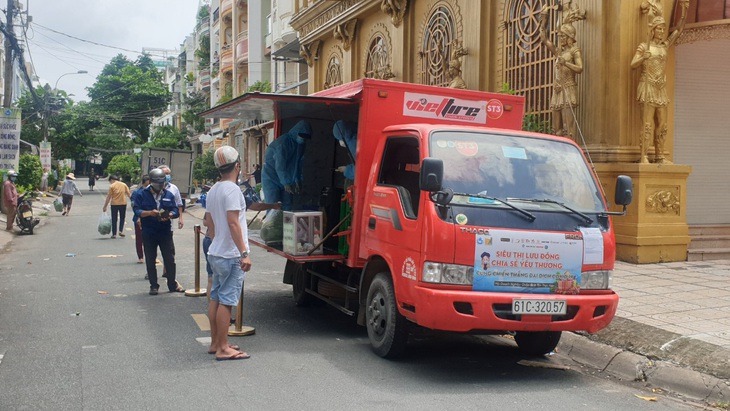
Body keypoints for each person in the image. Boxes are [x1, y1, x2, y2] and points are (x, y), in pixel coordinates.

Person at [206, 146, 252, 360]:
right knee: (227, 301)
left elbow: (210, 222)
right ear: (237, 165)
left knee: (215, 298)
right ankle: (224, 348)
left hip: (216, 252)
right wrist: (244, 253)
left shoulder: (214, 189)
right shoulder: (233, 190)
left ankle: (215, 342)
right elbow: (234, 223)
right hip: (230, 255)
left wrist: (218, 241)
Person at [631, 0, 689, 164]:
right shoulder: (644, 46)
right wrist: (644, 57)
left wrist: (684, 11)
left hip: (660, 88)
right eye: (659, 28)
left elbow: (678, 29)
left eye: (663, 28)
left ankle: (660, 155)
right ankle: (644, 155)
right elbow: (633, 64)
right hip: (647, 86)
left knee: (662, 124)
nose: (662, 31)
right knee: (647, 124)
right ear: (653, 30)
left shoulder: (665, 45)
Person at [133, 168, 185, 295]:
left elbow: (175, 210)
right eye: (157, 184)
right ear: (150, 182)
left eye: (161, 184)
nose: (159, 187)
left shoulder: (168, 194)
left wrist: (170, 215)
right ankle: (154, 285)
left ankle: (172, 284)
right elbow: (137, 210)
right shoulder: (141, 194)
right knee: (150, 259)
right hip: (149, 231)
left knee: (169, 259)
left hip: (165, 231)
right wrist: (150, 213)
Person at [539, 4, 585, 140]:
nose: (561, 39)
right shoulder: (559, 52)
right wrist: (544, 19)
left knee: (568, 129)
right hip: (557, 90)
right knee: (557, 130)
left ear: (570, 37)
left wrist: (566, 63)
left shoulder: (574, 51)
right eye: (560, 36)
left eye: (564, 36)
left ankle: (570, 153)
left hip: (569, 88)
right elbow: (544, 39)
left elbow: (580, 68)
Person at [262, 120, 312, 211]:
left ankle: (286, 225)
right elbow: (280, 165)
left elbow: (298, 163)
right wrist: (285, 182)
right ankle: (271, 225)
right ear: (296, 132)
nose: (303, 139)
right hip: (271, 178)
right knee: (273, 207)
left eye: (305, 138)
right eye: (302, 136)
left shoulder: (300, 145)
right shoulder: (282, 143)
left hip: (287, 179)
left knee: (287, 207)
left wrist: (297, 179)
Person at [158, 165, 184, 277]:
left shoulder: (173, 189)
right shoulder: (150, 188)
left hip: (168, 226)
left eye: (169, 173)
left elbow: (178, 205)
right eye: (165, 173)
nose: (167, 176)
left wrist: (180, 218)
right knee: (152, 250)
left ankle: (167, 270)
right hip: (153, 225)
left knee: (169, 250)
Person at [132, 175, 150, 264]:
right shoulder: (137, 193)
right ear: (143, 183)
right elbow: (136, 207)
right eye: (147, 184)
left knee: (149, 239)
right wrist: (139, 217)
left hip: (150, 218)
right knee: (139, 238)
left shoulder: (153, 192)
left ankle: (149, 255)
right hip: (139, 219)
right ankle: (140, 256)